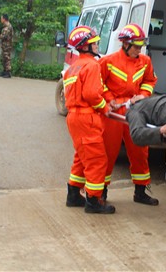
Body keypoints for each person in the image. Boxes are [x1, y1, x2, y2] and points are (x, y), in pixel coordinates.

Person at [99, 23, 159, 206]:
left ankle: (140, 192)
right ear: (125, 44)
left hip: (136, 110)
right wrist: (110, 99)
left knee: (140, 150)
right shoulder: (107, 61)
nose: (139, 50)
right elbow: (98, 83)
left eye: (141, 46)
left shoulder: (145, 61)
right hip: (114, 111)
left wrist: (143, 95)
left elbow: (150, 80)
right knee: (109, 152)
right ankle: (101, 192)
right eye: (136, 46)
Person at [64, 25, 114, 214]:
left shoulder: (73, 67)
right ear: (85, 46)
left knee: (82, 156)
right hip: (86, 117)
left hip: (74, 117)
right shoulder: (92, 65)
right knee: (97, 160)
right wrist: (105, 108)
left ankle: (73, 194)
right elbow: (92, 94)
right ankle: (94, 201)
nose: (97, 45)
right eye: (94, 42)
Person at [0, 13, 14, 78]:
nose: (1, 20)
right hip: (4, 45)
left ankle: (8, 72)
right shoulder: (5, 26)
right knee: (3, 58)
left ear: (4, 19)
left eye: (1, 18)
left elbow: (4, 35)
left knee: (7, 58)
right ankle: (4, 71)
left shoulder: (8, 26)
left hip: (7, 45)